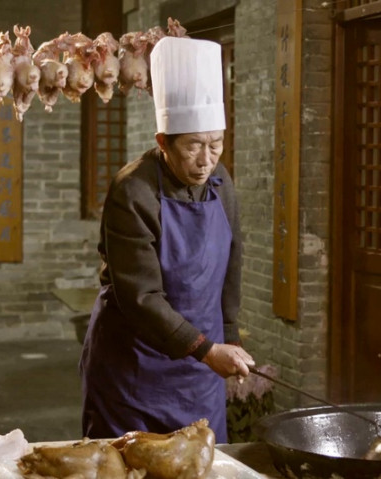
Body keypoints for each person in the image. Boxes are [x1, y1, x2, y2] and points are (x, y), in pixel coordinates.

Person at [79, 36, 254, 444]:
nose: (206, 160)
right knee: (125, 464)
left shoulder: (220, 181)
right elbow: (140, 297)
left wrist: (229, 337)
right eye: (193, 146)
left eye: (216, 144)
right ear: (163, 142)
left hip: (199, 370)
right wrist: (207, 350)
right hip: (134, 369)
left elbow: (232, 258)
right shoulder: (133, 191)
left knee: (204, 462)